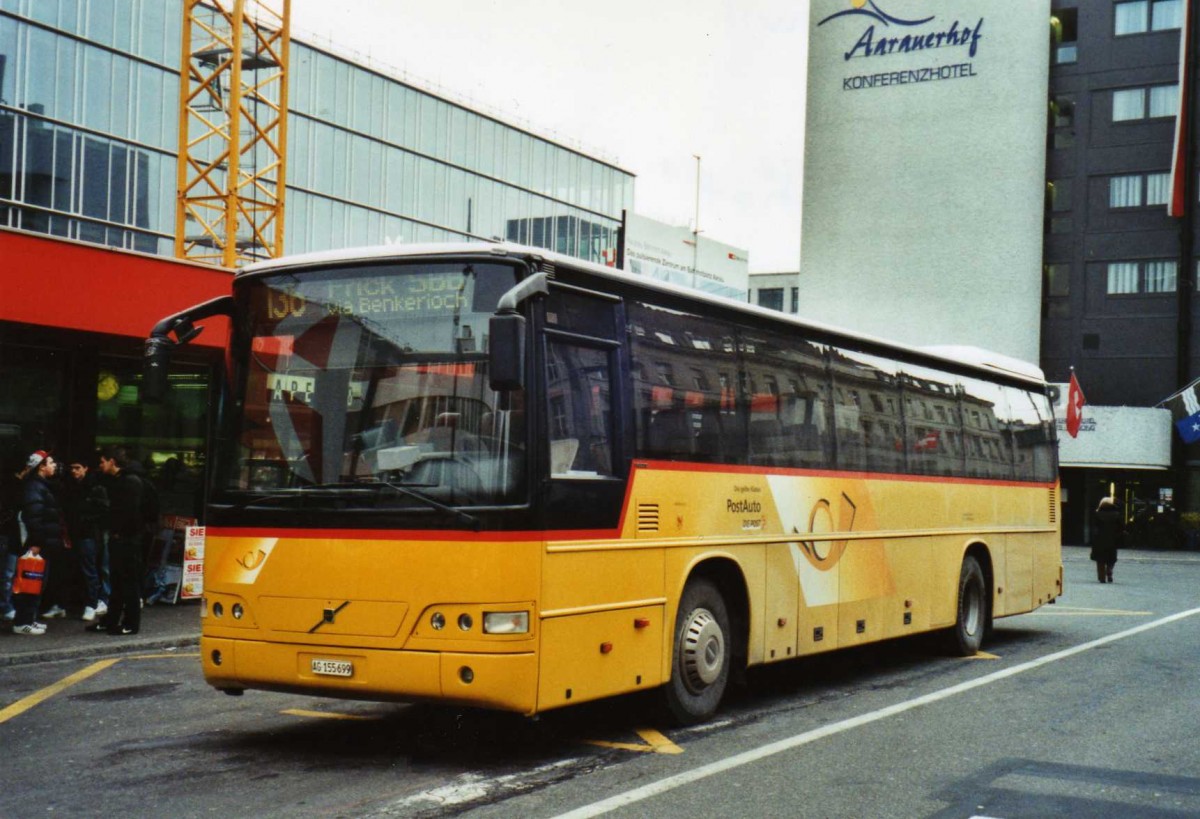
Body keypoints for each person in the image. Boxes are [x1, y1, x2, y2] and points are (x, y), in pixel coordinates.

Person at [91, 446, 145, 635]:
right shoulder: (120, 480)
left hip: (127, 539)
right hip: (121, 537)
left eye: (102, 461)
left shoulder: (130, 482)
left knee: (128, 583)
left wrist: (119, 532)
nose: (100, 465)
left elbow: (130, 513)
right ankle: (111, 620)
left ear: (112, 461)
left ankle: (131, 624)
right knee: (117, 582)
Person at [21, 450, 71, 621]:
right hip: (39, 544)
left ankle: (29, 619)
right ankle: (25, 620)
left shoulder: (41, 486)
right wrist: (36, 542)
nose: (54, 466)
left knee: (38, 582)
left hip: (44, 542)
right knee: (33, 583)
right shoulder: (35, 487)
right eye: (50, 463)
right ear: (41, 467)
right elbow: (34, 517)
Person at [65, 455, 110, 622]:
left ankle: (91, 603)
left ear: (85, 468)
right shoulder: (73, 486)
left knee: (89, 568)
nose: (74, 471)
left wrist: (85, 519)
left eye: (77, 468)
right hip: (77, 532)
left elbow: (103, 511)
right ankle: (89, 602)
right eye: (72, 468)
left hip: (88, 533)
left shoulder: (95, 487)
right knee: (83, 568)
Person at [0, 456, 29, 622]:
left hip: (9, 533)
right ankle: (6, 604)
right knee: (9, 572)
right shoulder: (16, 487)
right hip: (11, 534)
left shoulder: (10, 486)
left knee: (8, 572)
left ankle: (7, 603)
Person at [1091, 496, 1122, 583]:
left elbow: (1094, 528)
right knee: (1111, 558)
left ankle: (1102, 577)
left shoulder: (1097, 514)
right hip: (1112, 540)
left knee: (1100, 560)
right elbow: (1120, 528)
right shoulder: (1117, 515)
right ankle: (1109, 570)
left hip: (1099, 540)